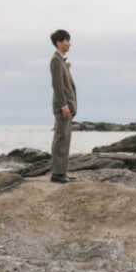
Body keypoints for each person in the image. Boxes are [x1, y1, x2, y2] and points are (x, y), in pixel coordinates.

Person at [49, 29, 77, 184]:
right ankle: (57, 174)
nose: (69, 43)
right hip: (63, 107)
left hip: (67, 107)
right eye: (66, 41)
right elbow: (57, 85)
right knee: (60, 138)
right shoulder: (55, 60)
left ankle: (61, 172)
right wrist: (64, 105)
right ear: (59, 43)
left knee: (65, 138)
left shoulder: (61, 61)